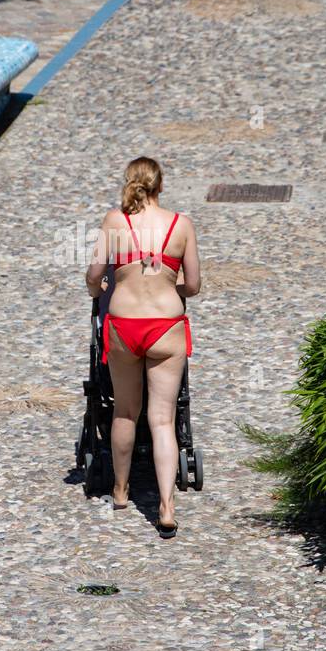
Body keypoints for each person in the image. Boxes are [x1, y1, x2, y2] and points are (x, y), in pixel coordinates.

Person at [85, 157, 201, 535]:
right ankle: (166, 508)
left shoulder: (115, 221)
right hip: (166, 327)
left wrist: (97, 290)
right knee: (163, 419)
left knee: (124, 411)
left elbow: (94, 274)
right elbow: (194, 286)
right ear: (160, 186)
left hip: (124, 326)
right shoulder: (181, 225)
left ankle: (120, 491)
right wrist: (171, 289)